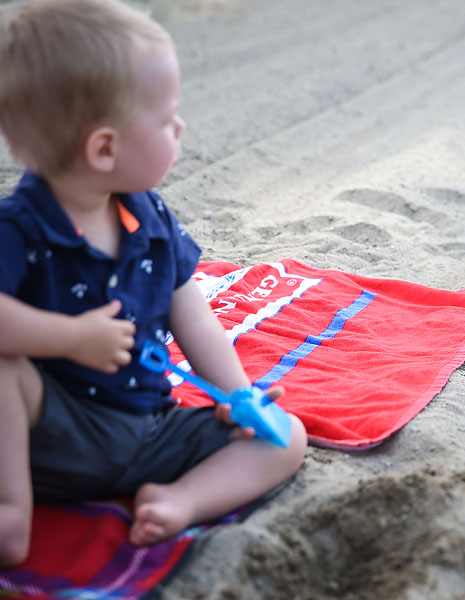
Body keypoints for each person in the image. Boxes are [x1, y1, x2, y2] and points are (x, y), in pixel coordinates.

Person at [0, 0, 307, 567]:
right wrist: (67, 339)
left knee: (285, 437)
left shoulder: (152, 219)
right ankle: (10, 511)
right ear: (105, 148)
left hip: (150, 430)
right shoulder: (19, 228)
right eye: (167, 118)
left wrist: (238, 394)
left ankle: (179, 500)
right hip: (52, 435)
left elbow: (192, 314)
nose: (181, 126)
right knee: (4, 369)